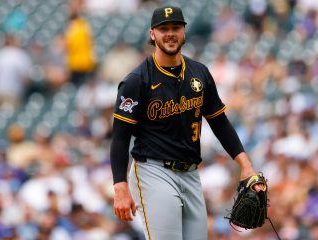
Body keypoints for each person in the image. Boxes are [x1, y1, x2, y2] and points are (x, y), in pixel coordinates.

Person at [110, 6, 264, 240]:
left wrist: (246, 165)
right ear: (153, 34)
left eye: (175, 28)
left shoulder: (199, 73)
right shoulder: (137, 80)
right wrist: (120, 185)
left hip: (191, 173)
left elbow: (219, 122)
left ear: (184, 32)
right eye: (164, 29)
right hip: (153, 171)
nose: (170, 33)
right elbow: (120, 137)